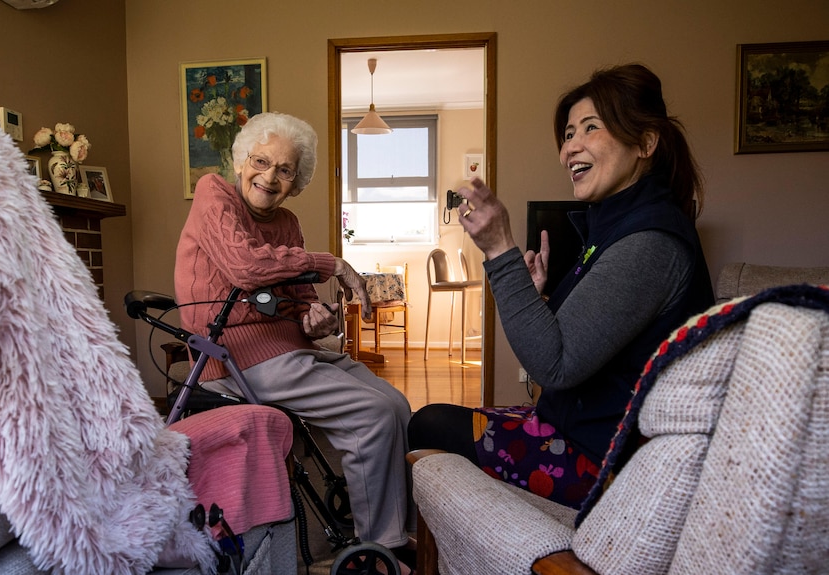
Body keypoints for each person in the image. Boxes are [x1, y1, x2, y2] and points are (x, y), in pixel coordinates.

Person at [408, 64, 715, 509]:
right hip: (580, 430)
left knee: (430, 422)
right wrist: (537, 300)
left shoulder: (649, 243)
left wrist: (500, 250)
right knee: (435, 418)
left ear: (646, 143)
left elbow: (552, 366)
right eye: (569, 133)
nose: (571, 147)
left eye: (591, 128)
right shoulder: (614, 230)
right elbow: (577, 345)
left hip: (603, 461)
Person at [175, 112, 416, 571]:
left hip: (292, 350)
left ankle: (395, 528)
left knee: (396, 403)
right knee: (372, 415)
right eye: (261, 161)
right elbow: (245, 266)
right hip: (236, 355)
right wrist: (334, 264)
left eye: (285, 170)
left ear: (296, 181)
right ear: (241, 160)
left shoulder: (287, 222)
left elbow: (300, 302)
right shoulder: (214, 193)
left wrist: (315, 318)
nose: (269, 176)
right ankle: (378, 549)